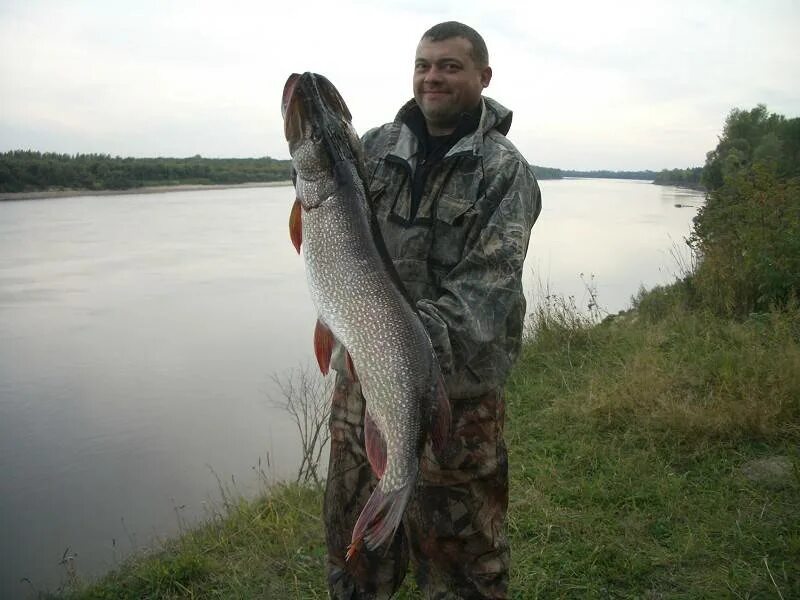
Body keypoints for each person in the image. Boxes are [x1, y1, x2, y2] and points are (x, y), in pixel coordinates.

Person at [323, 21, 542, 599]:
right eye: (423, 64)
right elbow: (331, 224)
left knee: (463, 568)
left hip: (458, 402)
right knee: (355, 558)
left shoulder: (503, 171)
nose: (432, 76)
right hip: (359, 389)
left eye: (449, 65)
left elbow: (485, 292)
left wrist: (399, 352)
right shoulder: (370, 148)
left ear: (483, 76)